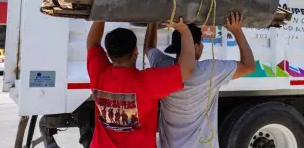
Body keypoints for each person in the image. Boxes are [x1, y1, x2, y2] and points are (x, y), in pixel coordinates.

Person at [145, 12, 256, 148]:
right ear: (195, 46)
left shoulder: (162, 66)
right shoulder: (210, 70)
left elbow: (149, 48)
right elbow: (249, 66)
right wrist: (237, 31)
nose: (202, 46)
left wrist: (152, 21)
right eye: (201, 42)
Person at [86, 19, 195, 148]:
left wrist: (100, 15)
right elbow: (186, 71)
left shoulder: (99, 74)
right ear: (136, 52)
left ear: (108, 54)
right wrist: (185, 31)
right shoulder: (146, 82)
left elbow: (92, 43)